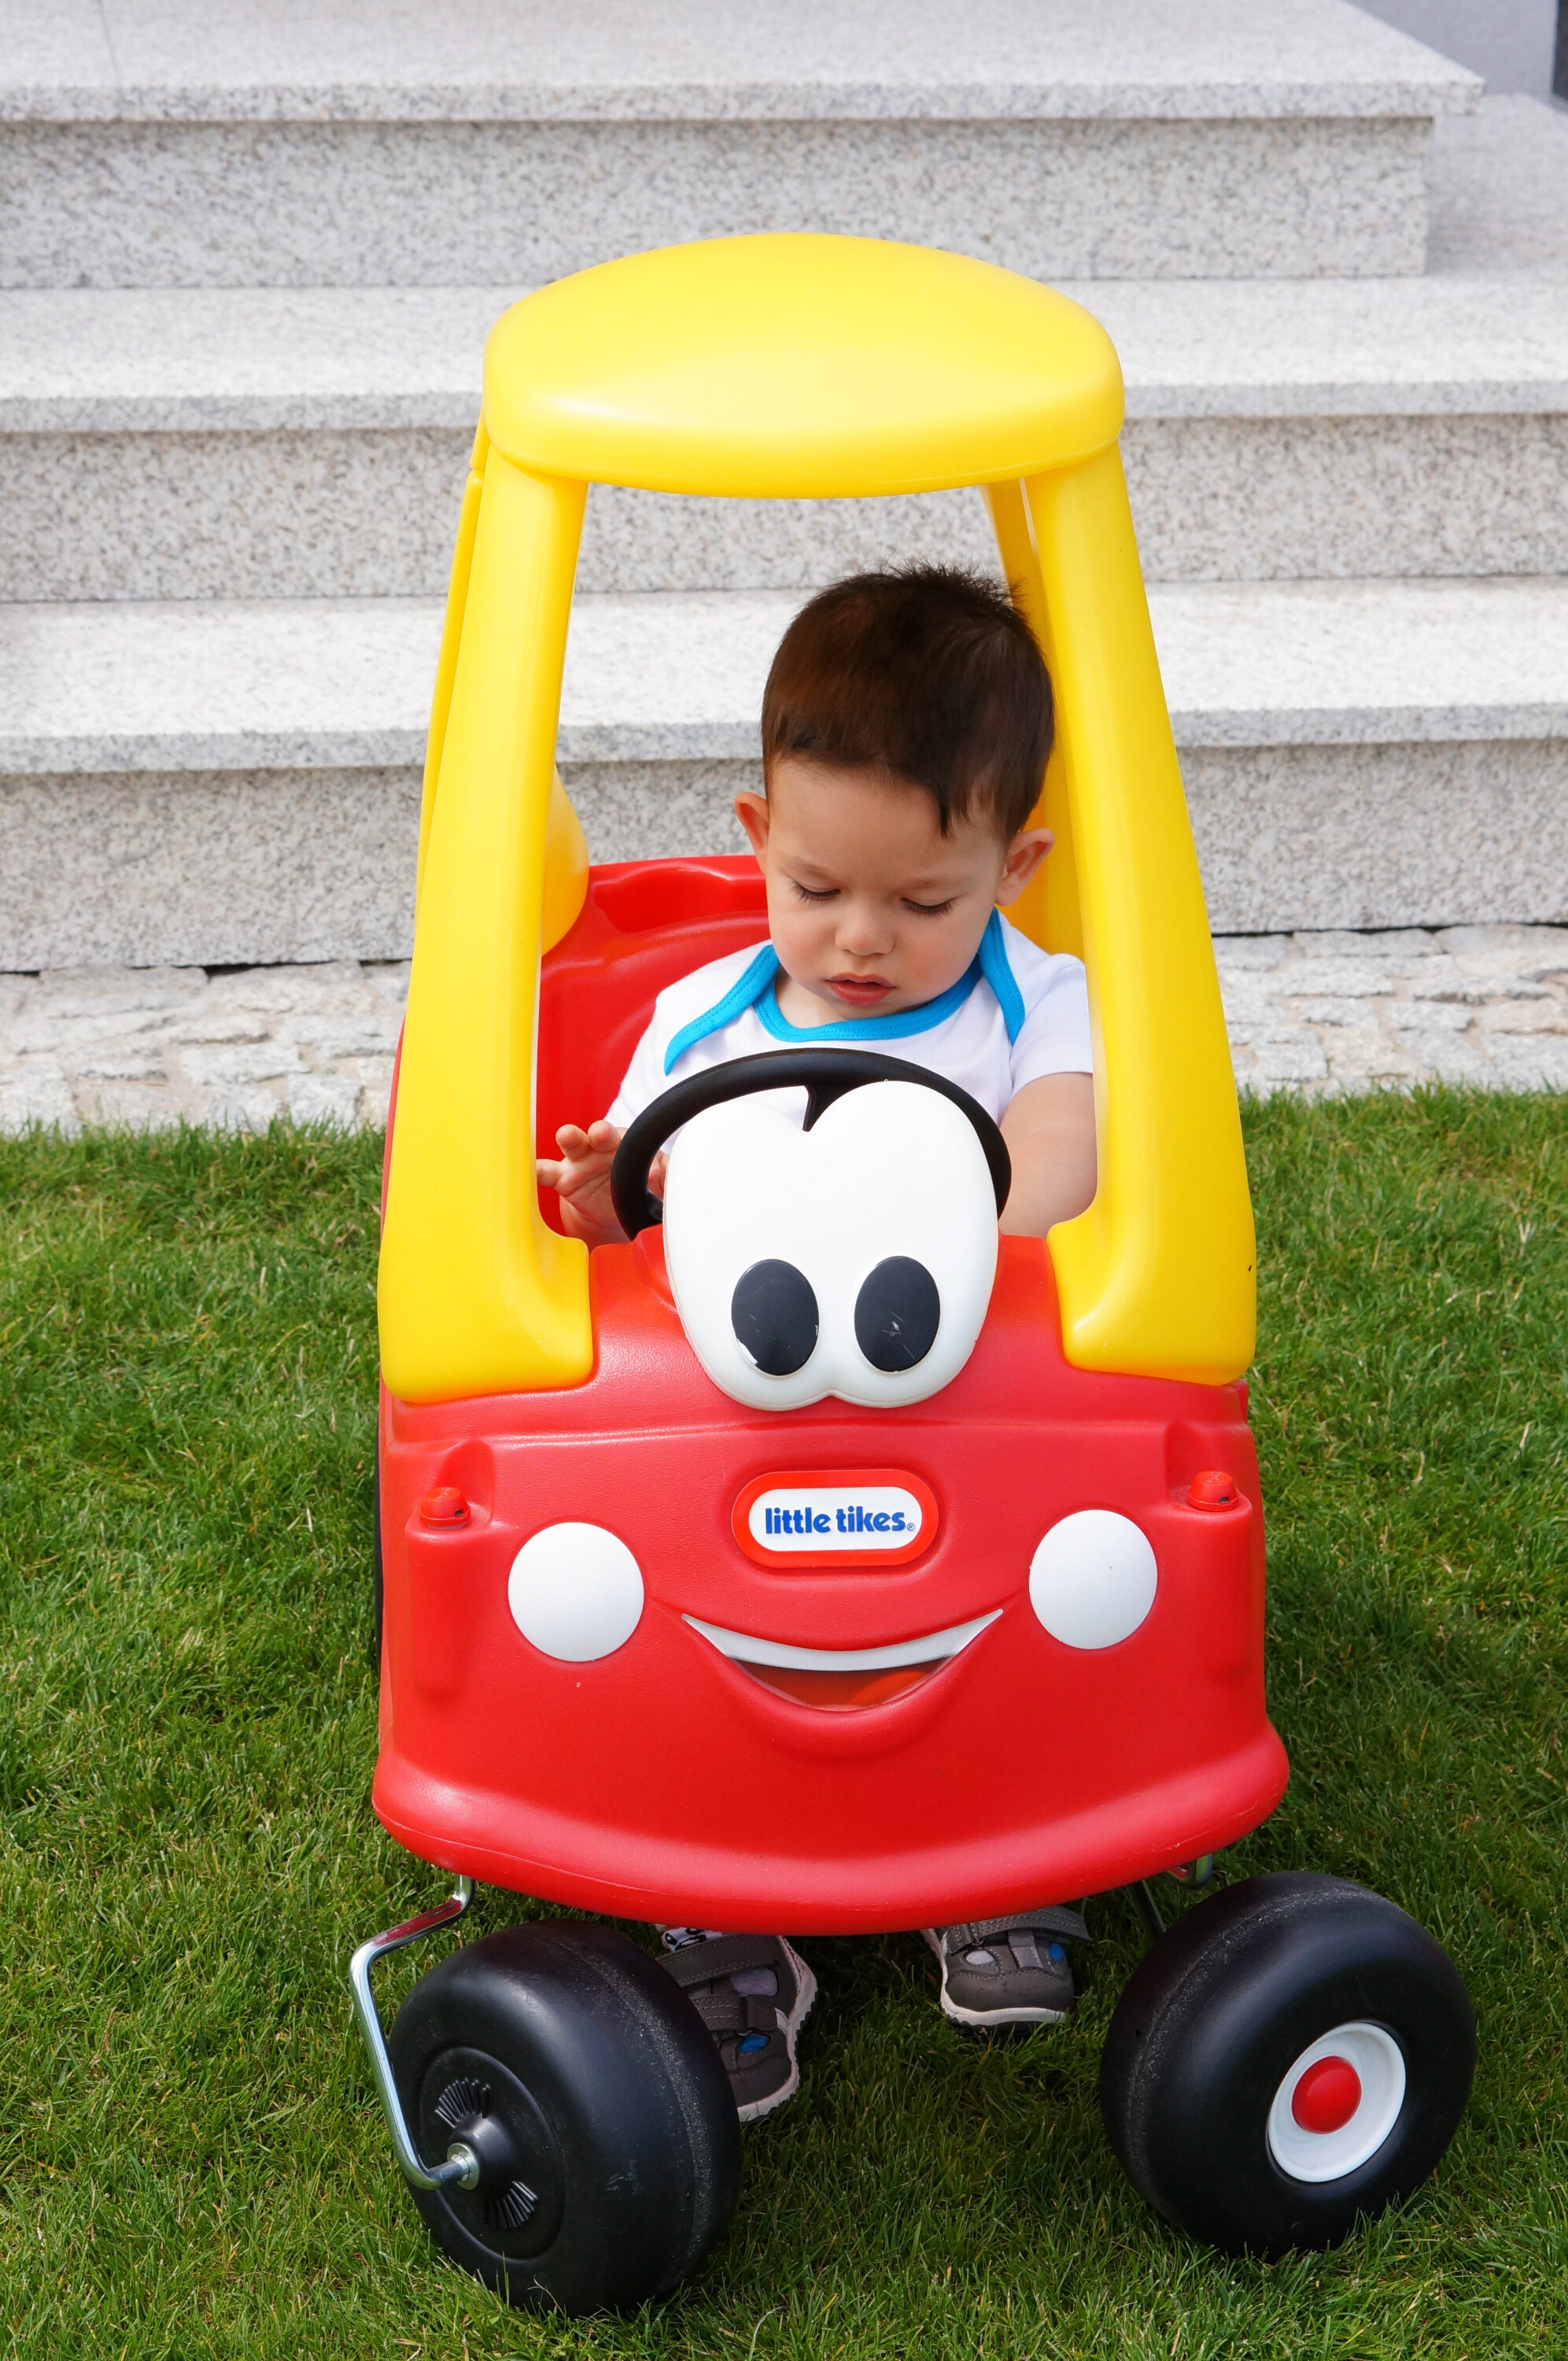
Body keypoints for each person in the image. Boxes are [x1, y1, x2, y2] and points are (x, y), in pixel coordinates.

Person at [537, 566, 1097, 2122]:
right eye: (816, 888)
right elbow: (630, 1235)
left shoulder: (1030, 1006)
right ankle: (716, 1915)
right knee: (690, 1631)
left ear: (1015, 862)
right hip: (747, 1445)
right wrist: (605, 1197)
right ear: (754, 840)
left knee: (1015, 1604)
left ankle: (1002, 1856)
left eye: (924, 902)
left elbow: (1056, 1166)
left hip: (962, 1428)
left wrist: (952, 1230)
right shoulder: (703, 1029)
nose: (860, 941)